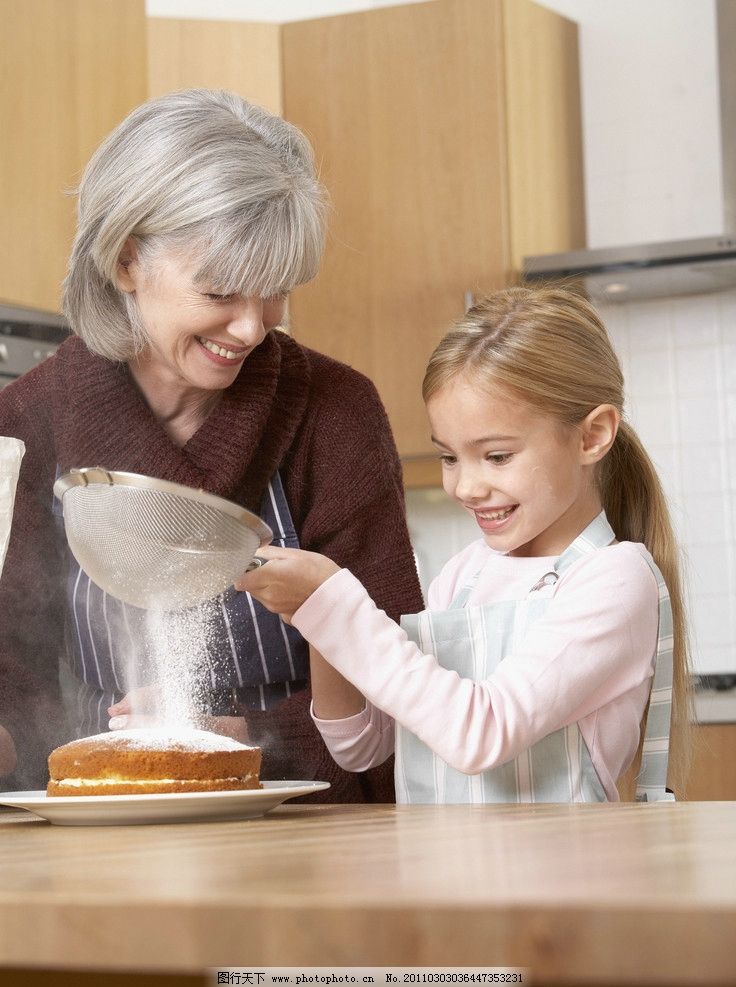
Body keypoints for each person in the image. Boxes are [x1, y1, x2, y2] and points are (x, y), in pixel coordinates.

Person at [0, 88, 423, 796]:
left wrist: (255, 740)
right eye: (222, 291)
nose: (254, 328)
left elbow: (400, 678)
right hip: (104, 817)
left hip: (313, 834)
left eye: (276, 290)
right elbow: (14, 668)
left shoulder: (336, 411)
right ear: (128, 261)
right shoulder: (27, 421)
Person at [238, 285, 692, 803]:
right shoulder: (464, 575)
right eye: (449, 458)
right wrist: (311, 619)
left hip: (561, 878)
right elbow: (361, 746)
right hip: (445, 876)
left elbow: (481, 733)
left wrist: (334, 607)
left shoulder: (613, 579)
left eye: (497, 456)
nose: (466, 487)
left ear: (592, 436)